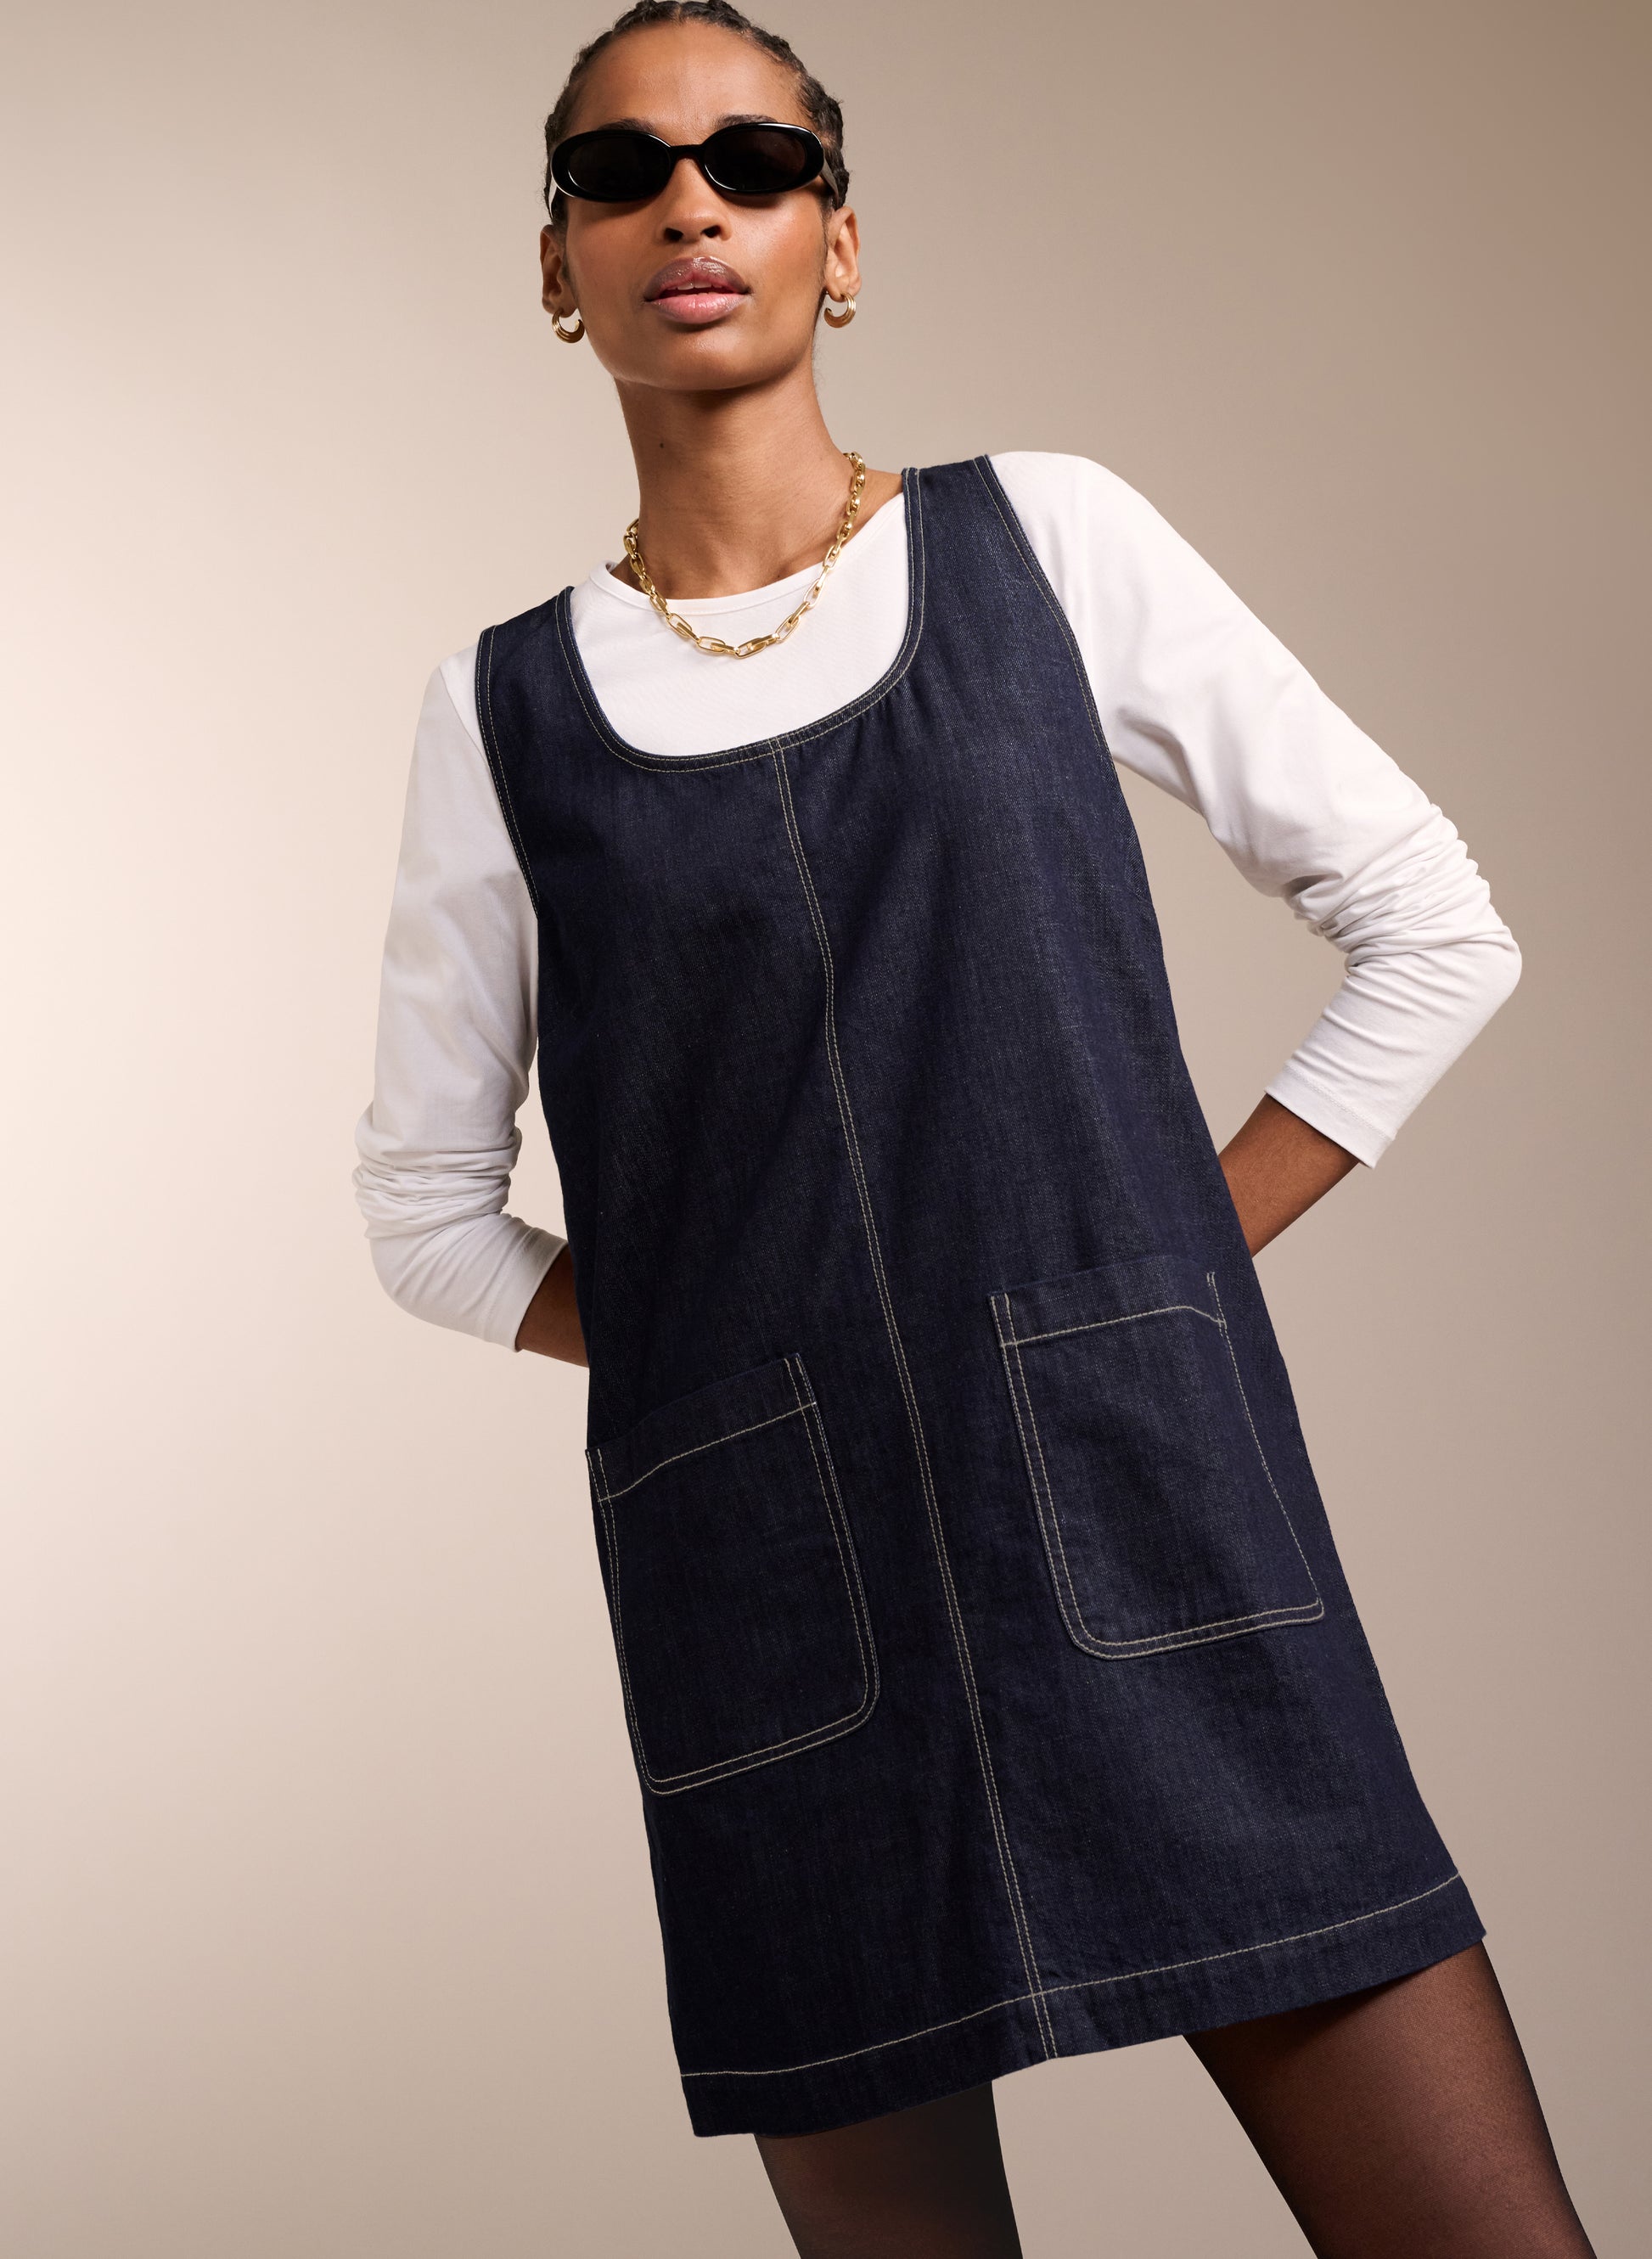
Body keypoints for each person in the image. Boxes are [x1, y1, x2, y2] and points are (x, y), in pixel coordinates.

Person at [353, 5, 1594, 2251]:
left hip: (1147, 1496)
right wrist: (731, 1357)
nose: (691, 207)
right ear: (558, 265)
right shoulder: (501, 709)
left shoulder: (1054, 543)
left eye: (754, 160)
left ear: (839, 240)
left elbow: (1434, 929)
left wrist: (1169, 1252)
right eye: (621, 172)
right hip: (767, 1596)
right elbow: (427, 1215)